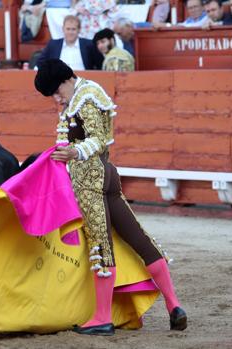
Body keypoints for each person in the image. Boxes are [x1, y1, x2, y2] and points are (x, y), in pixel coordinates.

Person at [34, 58, 187, 336]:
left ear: (66, 79)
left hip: (89, 179)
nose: (57, 99)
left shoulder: (84, 96)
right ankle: (174, 306)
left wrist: (74, 153)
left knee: (100, 245)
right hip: (106, 174)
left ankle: (102, 317)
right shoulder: (84, 95)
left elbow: (98, 138)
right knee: (138, 238)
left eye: (56, 91)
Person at [37, 15, 103, 71]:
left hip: (83, 82)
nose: (70, 32)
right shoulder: (53, 44)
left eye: (73, 29)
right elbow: (40, 63)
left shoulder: (89, 45)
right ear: (63, 29)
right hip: (59, 82)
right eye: (68, 29)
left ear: (79, 30)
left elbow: (100, 64)